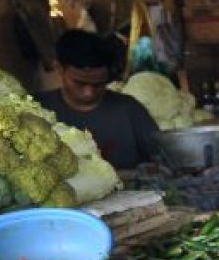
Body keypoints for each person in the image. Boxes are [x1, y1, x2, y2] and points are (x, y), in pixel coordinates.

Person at [37, 30, 161, 170]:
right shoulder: (38, 111)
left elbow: (161, 160)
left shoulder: (130, 110)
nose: (88, 93)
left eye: (98, 84)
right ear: (59, 68)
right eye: (80, 83)